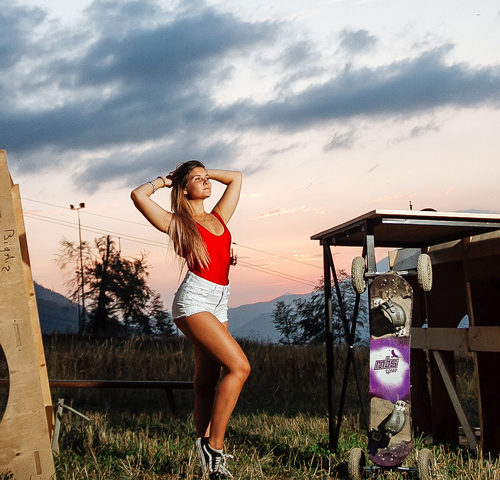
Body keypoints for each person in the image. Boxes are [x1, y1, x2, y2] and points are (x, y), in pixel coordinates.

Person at [130, 161, 250, 479]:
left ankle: (204, 457)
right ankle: (215, 447)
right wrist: (166, 181)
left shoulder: (219, 216)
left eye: (206, 177)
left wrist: (203, 172)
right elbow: (138, 195)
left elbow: (236, 178)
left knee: (206, 382)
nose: (206, 181)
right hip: (194, 300)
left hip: (220, 300)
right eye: (197, 179)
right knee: (240, 368)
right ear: (185, 188)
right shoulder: (178, 223)